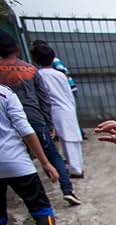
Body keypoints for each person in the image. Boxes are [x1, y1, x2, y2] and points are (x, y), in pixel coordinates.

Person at [0, 85, 79, 225]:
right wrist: (45, 162)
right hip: (16, 161)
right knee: (42, 209)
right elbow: (25, 129)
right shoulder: (5, 93)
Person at [0, 31, 81, 206]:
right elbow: (44, 98)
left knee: (21, 157)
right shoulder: (30, 69)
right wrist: (49, 123)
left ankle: (31, 195)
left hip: (8, 122)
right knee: (53, 155)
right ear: (16, 48)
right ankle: (67, 189)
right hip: (35, 118)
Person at [30, 41, 84, 178]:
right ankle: (75, 166)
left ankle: (74, 168)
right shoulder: (59, 74)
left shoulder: (39, 75)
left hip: (55, 109)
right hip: (67, 107)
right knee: (71, 139)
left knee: (66, 140)